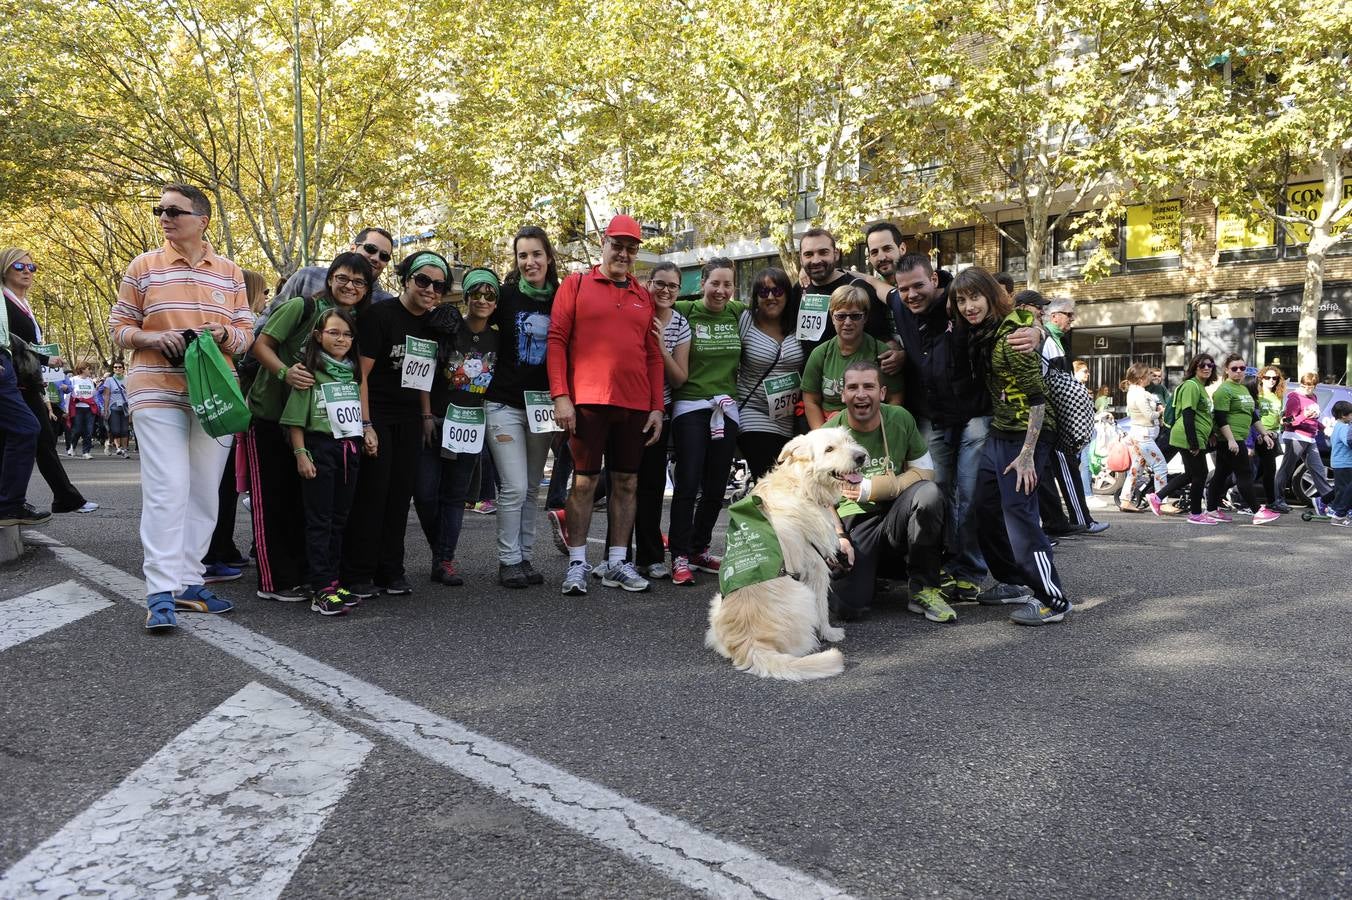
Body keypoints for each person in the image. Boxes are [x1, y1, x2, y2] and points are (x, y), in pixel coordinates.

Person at [108, 183, 253, 629]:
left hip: (214, 394)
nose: (165, 217)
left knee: (205, 489)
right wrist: (152, 337)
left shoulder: (230, 273)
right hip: (156, 389)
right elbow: (119, 325)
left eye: (174, 210)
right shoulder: (144, 266)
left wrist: (225, 335)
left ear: (202, 219)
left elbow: (246, 332)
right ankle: (160, 593)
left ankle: (190, 582)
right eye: (160, 210)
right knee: (168, 485)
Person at [892, 259, 1039, 607]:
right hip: (936, 417)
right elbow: (872, 283)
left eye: (918, 286)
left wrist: (1037, 330)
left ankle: (969, 571)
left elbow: (1009, 318)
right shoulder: (901, 304)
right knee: (936, 492)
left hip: (976, 414)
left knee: (970, 495)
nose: (911, 294)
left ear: (933, 280)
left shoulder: (959, 301)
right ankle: (943, 566)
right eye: (904, 289)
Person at [246, 253, 375, 602]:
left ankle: (310, 576)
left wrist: (365, 424)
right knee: (274, 501)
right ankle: (274, 582)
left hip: (317, 427)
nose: (351, 286)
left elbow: (357, 377)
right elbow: (260, 345)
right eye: (344, 278)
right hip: (272, 415)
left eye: (360, 282)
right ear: (330, 278)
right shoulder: (301, 307)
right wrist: (284, 372)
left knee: (305, 503)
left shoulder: (350, 323)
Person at [547, 214, 664, 596]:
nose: (624, 254)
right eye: (618, 245)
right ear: (604, 242)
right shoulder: (576, 283)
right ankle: (578, 562)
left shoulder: (642, 295)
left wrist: (656, 407)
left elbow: (651, 355)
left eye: (632, 248)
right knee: (584, 482)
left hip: (632, 405)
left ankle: (616, 562)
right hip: (586, 402)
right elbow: (557, 340)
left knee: (627, 482)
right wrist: (561, 396)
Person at [956, 268, 1071, 626]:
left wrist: (1026, 455)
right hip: (1002, 430)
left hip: (1027, 434)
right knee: (984, 507)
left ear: (991, 296)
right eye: (961, 300)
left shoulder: (1011, 339)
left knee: (1018, 514)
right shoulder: (986, 332)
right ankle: (1014, 581)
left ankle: (1053, 599)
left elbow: (1038, 400)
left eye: (975, 297)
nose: (968, 306)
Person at [341, 250, 447, 598]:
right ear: (406, 279)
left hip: (410, 419)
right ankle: (359, 572)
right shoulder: (379, 316)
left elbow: (423, 377)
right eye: (423, 280)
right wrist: (366, 423)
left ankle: (391, 570)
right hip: (379, 416)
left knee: (401, 496)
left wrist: (426, 415)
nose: (431, 289)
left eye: (439, 285)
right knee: (373, 495)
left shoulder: (432, 324)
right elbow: (362, 376)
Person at [827, 361, 950, 623]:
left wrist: (873, 488)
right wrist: (838, 536)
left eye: (868, 386)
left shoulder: (899, 418)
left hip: (895, 511)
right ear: (843, 394)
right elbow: (816, 496)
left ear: (882, 393)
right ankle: (874, 572)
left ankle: (923, 587)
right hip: (854, 523)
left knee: (929, 494)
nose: (861, 394)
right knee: (848, 608)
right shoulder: (829, 433)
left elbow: (926, 471)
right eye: (853, 387)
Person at [485, 227, 561, 588]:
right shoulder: (505, 296)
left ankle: (525, 557)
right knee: (513, 486)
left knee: (532, 487)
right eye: (522, 256)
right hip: (502, 404)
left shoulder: (563, 297)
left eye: (536, 254)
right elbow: (476, 317)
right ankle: (508, 559)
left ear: (549, 258)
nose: (530, 262)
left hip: (542, 407)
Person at [417, 267, 499, 587]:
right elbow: (422, 373)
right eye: (475, 293)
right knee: (424, 493)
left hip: (470, 426)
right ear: (465, 297)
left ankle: (444, 560)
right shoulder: (446, 327)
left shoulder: (499, 338)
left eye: (489, 294)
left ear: (495, 301)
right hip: (435, 421)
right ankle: (441, 550)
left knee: (454, 496)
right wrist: (425, 415)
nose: (482, 299)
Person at [280, 307, 364, 615]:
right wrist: (301, 454)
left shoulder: (353, 372)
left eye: (347, 334)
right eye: (334, 332)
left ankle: (333, 579)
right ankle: (320, 587)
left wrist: (365, 434)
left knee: (340, 520)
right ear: (319, 335)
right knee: (320, 520)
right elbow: (294, 421)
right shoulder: (309, 372)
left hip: (349, 450)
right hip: (320, 449)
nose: (341, 339)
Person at [0, 246, 96, 514]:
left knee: (37, 438)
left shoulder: (23, 303)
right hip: (12, 382)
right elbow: (11, 342)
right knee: (33, 435)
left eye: (32, 267)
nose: (27, 271)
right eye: (19, 266)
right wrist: (44, 359)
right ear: (5, 269)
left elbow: (25, 343)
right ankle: (40, 500)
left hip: (28, 381)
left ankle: (59, 498)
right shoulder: (4, 303)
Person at [668, 257, 745, 587]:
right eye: (715, 283)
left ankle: (699, 549)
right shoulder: (686, 311)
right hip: (689, 408)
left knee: (717, 487)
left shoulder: (738, 312)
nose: (721, 290)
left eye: (728, 284)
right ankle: (680, 556)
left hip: (726, 409)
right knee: (688, 483)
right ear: (702, 284)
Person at [633, 262, 689, 580]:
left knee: (652, 486)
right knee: (623, 484)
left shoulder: (680, 323)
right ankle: (617, 556)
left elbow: (680, 378)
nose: (665, 291)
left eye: (672, 286)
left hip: (660, 409)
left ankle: (652, 556)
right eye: (659, 284)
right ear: (648, 284)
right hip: (627, 406)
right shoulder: (635, 311)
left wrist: (659, 346)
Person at [1036, 297, 1107, 536]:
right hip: (1054, 418)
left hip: (1054, 418)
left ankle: (1067, 520)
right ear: (1054, 316)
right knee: (1067, 469)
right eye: (1069, 314)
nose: (1072, 319)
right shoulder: (1048, 340)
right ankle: (1081, 519)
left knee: (1060, 471)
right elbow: (1049, 383)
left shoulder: (1053, 340)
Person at [735, 266, 803, 482]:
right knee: (768, 478)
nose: (771, 297)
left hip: (790, 418)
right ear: (755, 297)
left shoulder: (799, 324)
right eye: (763, 292)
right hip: (753, 413)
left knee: (790, 482)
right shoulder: (745, 320)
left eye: (777, 291)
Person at [802, 285, 903, 428]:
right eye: (841, 316)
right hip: (831, 429)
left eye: (855, 316)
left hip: (872, 425)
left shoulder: (881, 352)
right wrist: (821, 437)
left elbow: (895, 397)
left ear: (865, 317)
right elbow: (810, 400)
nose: (848, 322)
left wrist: (883, 429)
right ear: (832, 317)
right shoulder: (821, 354)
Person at [796, 228, 899, 365]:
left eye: (823, 252)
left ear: (836, 254)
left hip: (853, 382)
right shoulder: (798, 289)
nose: (816, 260)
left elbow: (883, 341)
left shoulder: (859, 288)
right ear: (801, 258)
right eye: (808, 254)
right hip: (810, 382)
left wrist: (898, 355)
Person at [1205, 354, 1279, 524]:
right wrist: (1230, 439)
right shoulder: (1224, 390)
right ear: (1227, 370)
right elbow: (1220, 417)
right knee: (1244, 474)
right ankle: (1256, 511)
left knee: (1221, 474)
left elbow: (1252, 416)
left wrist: (1264, 434)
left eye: (1242, 368)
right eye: (1234, 369)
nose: (1239, 371)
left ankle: (1211, 510)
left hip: (1237, 438)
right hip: (1231, 439)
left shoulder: (1243, 389)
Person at [1150, 354, 1218, 524]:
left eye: (1210, 365)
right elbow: (1188, 414)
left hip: (1194, 435)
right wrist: (1193, 442)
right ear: (1194, 367)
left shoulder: (1201, 387)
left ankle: (1157, 497)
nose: (1207, 368)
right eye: (1202, 365)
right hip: (1188, 436)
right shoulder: (1191, 386)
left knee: (1191, 474)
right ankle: (1195, 514)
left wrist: (1209, 434)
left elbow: (1203, 415)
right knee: (1200, 473)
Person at [273, 227, 397, 305]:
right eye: (370, 249)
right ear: (353, 248)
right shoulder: (307, 277)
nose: (376, 258)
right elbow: (270, 317)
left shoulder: (385, 303)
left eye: (384, 256)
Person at [1274, 371, 1334, 515]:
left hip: (1310, 437)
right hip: (1295, 436)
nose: (1308, 388)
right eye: (1306, 385)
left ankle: (1328, 500)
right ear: (1301, 384)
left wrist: (1323, 428)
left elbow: (1313, 419)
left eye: (1312, 386)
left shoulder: (1313, 397)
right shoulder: (1295, 398)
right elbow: (1288, 422)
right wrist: (1304, 415)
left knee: (1318, 469)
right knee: (1286, 469)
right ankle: (1277, 500)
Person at [1118, 363, 1169, 513]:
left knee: (1136, 468)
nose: (1151, 377)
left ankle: (1125, 500)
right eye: (1148, 375)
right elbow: (1149, 415)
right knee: (1160, 466)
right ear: (1141, 378)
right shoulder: (1139, 393)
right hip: (1144, 436)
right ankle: (1162, 501)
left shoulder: (1135, 391)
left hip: (1141, 435)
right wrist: (1161, 412)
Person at [1255, 365, 1289, 512]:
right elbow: (1253, 417)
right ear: (1261, 378)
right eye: (1267, 377)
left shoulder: (1277, 396)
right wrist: (1259, 434)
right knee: (1265, 470)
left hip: (1272, 436)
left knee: (1263, 471)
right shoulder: (1257, 395)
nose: (1271, 380)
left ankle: (1271, 501)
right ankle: (1272, 501)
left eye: (1274, 378)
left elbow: (1277, 420)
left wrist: (1279, 429)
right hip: (1259, 436)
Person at [66, 363, 100, 459]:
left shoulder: (90, 381)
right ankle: (72, 446)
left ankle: (86, 452)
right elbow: (68, 395)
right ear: (82, 369)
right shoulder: (73, 380)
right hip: (77, 408)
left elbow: (94, 395)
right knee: (77, 430)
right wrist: (66, 409)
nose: (91, 371)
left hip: (89, 408)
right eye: (89, 369)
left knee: (88, 431)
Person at [1327, 401, 1352, 526]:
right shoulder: (1344, 428)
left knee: (1342, 489)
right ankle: (1338, 513)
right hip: (1345, 463)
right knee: (1345, 490)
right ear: (1343, 415)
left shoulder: (1338, 426)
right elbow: (1349, 441)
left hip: (1340, 463)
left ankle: (1332, 507)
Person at [101, 361, 131, 457]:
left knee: (125, 430)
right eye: (115, 367)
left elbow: (131, 394)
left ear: (123, 369)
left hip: (125, 408)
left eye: (119, 367)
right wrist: (105, 409)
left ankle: (125, 450)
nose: (117, 369)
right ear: (113, 369)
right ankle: (118, 448)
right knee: (115, 430)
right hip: (113, 408)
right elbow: (106, 395)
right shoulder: (109, 380)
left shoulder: (128, 379)